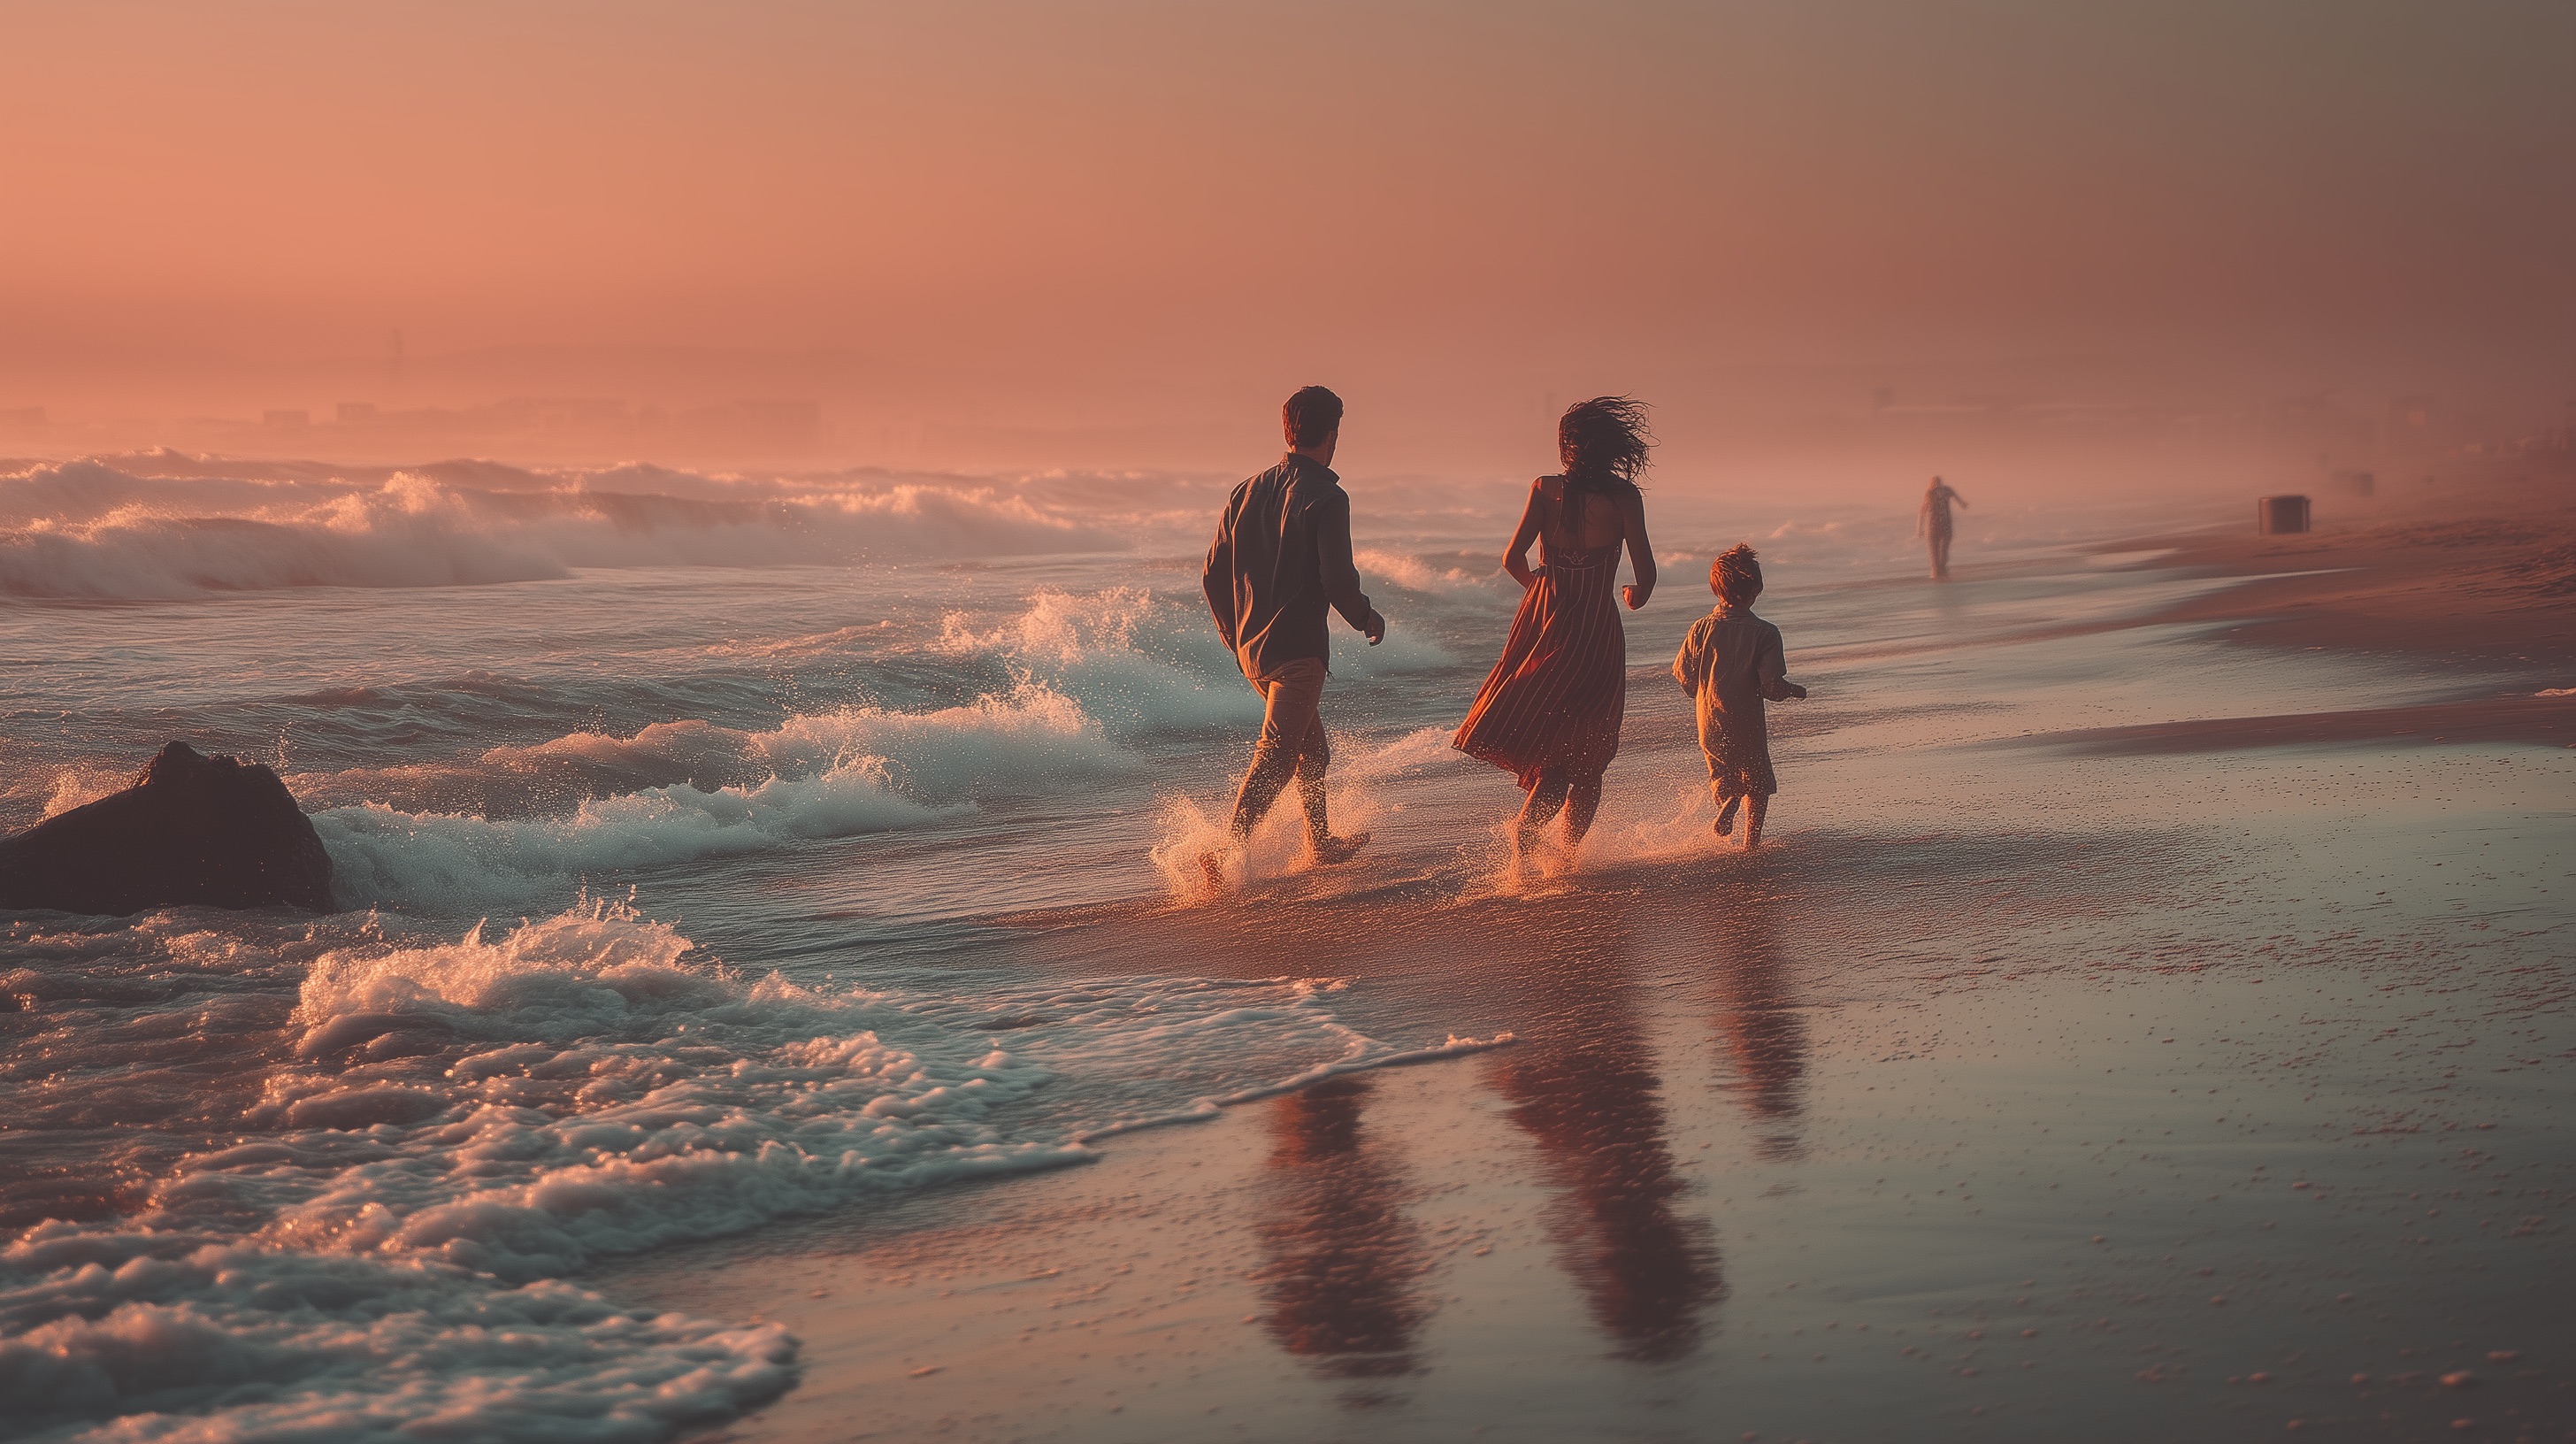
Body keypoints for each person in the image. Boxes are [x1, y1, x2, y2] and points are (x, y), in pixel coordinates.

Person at [1452, 396, 1656, 861]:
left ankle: (1528, 833)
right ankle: (1565, 858)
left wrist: (1541, 590)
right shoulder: (1624, 498)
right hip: (1595, 632)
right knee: (1588, 752)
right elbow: (1645, 577)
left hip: (1543, 625)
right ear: (1611, 448)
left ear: (1567, 447)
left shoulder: (1545, 488)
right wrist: (1631, 597)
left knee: (1551, 740)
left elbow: (1512, 560)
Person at [1200, 385, 1385, 875]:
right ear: (1332, 434)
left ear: (1288, 430)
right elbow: (1337, 578)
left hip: (1253, 652)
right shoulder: (1327, 496)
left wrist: (1233, 635)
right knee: (1280, 754)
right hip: (1298, 652)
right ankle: (1225, 855)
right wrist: (1366, 616)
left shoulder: (1246, 490)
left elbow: (1212, 574)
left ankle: (1319, 843)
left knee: (1311, 750)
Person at [1673, 543, 1806, 849]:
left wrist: (1703, 693)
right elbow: (1771, 685)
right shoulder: (1765, 633)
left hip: (1709, 720)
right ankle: (1751, 842)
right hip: (1745, 720)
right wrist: (1793, 691)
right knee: (1757, 780)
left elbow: (1684, 676)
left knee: (1722, 772)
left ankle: (1728, 801)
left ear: (1714, 589)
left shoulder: (1699, 629)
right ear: (1757, 588)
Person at [1917, 475, 1967, 580]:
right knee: (1935, 557)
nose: (1936, 484)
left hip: (1944, 528)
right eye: (1934, 483)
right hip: (1932, 529)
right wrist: (1919, 529)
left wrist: (1962, 503)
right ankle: (1938, 574)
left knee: (1943, 555)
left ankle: (1941, 574)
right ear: (1931, 484)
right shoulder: (1929, 494)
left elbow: (1956, 497)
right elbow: (1922, 512)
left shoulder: (1946, 491)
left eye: (1937, 482)